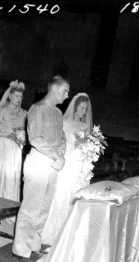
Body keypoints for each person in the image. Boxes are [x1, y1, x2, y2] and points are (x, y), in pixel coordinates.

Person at [12, 75, 69, 262]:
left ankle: (33, 246)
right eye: (64, 91)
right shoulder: (37, 109)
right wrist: (56, 156)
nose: (67, 96)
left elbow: (62, 138)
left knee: (44, 209)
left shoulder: (59, 113)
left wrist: (60, 155)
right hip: (38, 163)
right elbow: (36, 139)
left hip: (53, 165)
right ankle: (20, 250)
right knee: (31, 208)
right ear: (54, 89)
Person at [41, 93, 93, 246]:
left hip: (79, 164)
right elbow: (60, 142)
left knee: (76, 195)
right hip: (68, 162)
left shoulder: (84, 126)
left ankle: (70, 234)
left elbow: (87, 145)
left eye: (86, 109)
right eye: (82, 108)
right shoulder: (65, 122)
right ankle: (55, 233)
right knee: (62, 195)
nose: (84, 112)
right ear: (75, 107)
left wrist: (88, 148)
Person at [0, 80, 27, 222]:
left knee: (13, 177)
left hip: (16, 148)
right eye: (15, 96)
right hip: (4, 146)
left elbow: (27, 131)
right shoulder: (2, 111)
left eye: (20, 97)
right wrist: (8, 135)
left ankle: (9, 211)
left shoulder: (25, 113)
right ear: (10, 96)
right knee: (3, 176)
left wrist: (22, 137)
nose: (18, 99)